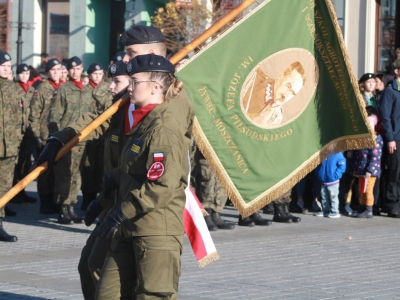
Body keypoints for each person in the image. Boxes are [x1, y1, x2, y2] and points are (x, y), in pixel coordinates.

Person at [95, 54, 191, 299]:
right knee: (107, 294)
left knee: (152, 295)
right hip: (130, 227)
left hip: (155, 229)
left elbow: (161, 185)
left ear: (155, 87)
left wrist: (120, 213)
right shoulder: (143, 120)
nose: (130, 87)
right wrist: (109, 188)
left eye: (135, 82)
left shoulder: (163, 127)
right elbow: (135, 168)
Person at [78, 59, 129, 300]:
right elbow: (89, 123)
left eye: (116, 81)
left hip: (127, 209)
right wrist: (59, 138)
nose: (110, 86)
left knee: (99, 268)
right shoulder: (114, 111)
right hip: (109, 205)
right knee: (87, 266)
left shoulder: (136, 117)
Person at [48, 56, 96, 225]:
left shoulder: (88, 91)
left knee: (76, 176)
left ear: (82, 69)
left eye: (78, 68)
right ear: (67, 71)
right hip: (66, 140)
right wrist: (56, 139)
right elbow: (54, 117)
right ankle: (62, 209)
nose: (75, 71)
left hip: (82, 140)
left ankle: (71, 208)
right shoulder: (63, 90)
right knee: (64, 175)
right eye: (72, 69)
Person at [29, 58, 62, 214]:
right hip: (45, 135)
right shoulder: (42, 88)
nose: (56, 72)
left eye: (59, 69)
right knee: (44, 171)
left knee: (57, 171)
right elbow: (34, 114)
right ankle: (45, 201)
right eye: (53, 70)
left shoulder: (64, 88)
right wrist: (37, 136)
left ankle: (54, 200)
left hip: (61, 136)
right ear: (48, 72)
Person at [0, 51, 24, 242]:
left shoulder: (14, 89)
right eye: (4, 66)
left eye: (9, 66)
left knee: (4, 187)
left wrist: (18, 137)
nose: (8, 70)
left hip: (9, 146)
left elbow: (21, 116)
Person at [242, 62, 307, 128]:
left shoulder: (277, 117)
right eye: (288, 86)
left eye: (292, 93)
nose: (287, 95)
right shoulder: (253, 75)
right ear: (281, 76)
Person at [190, 140, 235, 231]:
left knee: (221, 178)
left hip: (220, 140)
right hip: (203, 138)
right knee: (207, 177)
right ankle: (205, 214)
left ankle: (215, 213)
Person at [81, 62, 107, 210]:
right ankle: (87, 197)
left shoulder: (106, 90)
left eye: (100, 73)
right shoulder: (85, 92)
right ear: (89, 74)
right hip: (89, 136)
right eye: (95, 74)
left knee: (100, 167)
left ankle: (97, 198)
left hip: (101, 136)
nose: (98, 76)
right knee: (88, 168)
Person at [12, 63, 37, 204]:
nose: (24, 76)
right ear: (17, 74)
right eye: (21, 73)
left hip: (28, 132)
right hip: (15, 132)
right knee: (15, 163)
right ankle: (13, 193)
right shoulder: (14, 89)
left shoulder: (32, 90)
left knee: (26, 163)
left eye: (26, 73)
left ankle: (22, 191)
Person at [352, 106, 383, 218]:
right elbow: (359, 155)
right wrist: (356, 168)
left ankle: (369, 209)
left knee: (368, 189)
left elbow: (375, 156)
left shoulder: (376, 139)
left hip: (370, 171)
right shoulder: (364, 139)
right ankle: (363, 206)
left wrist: (370, 170)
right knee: (362, 190)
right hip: (361, 169)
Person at [378, 59, 400, 218]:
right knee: (394, 171)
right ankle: (391, 204)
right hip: (395, 138)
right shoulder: (390, 91)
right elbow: (385, 116)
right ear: (397, 71)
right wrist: (390, 138)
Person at [314, 149, 346, 218]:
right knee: (324, 196)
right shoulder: (323, 153)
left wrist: (336, 175)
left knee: (333, 196)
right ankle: (326, 211)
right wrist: (319, 173)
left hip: (333, 180)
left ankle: (335, 211)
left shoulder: (338, 153)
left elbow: (342, 166)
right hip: (323, 179)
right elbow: (318, 164)